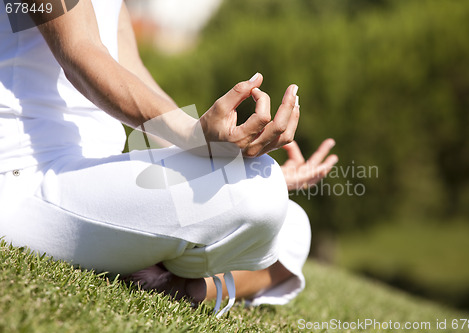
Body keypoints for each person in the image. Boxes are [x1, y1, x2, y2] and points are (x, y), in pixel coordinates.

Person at [0, 0, 337, 314]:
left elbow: (131, 74)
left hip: (93, 177)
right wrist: (197, 138)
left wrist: (223, 164)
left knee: (292, 220)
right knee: (260, 196)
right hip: (25, 178)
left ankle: (181, 285)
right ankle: (163, 269)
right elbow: (81, 52)